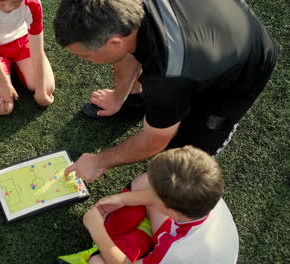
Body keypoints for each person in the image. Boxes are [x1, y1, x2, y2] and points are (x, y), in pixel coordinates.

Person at [54, 0, 277, 183]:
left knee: (181, 165)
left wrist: (99, 161)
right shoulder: (123, 14)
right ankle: (133, 100)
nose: (84, 60)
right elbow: (127, 50)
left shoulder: (169, 77)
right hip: (207, 28)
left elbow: (156, 140)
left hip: (244, 63)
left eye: (85, 56)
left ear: (114, 42)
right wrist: (118, 97)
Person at [56, 146, 239, 264]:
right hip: (186, 239)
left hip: (174, 254)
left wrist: (97, 230)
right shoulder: (204, 190)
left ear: (172, 212)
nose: (151, 195)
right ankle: (143, 236)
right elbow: (152, 192)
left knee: (98, 262)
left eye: (156, 198)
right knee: (145, 182)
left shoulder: (177, 253)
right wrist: (122, 200)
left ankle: (109, 246)